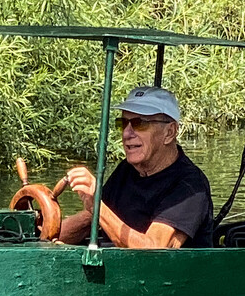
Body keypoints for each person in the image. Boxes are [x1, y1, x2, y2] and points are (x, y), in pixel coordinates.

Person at [58, 85, 213, 248]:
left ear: (169, 133)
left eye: (140, 124)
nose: (127, 133)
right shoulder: (127, 170)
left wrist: (97, 205)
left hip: (165, 273)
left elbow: (154, 251)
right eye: (123, 123)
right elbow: (90, 218)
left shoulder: (191, 187)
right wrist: (47, 234)